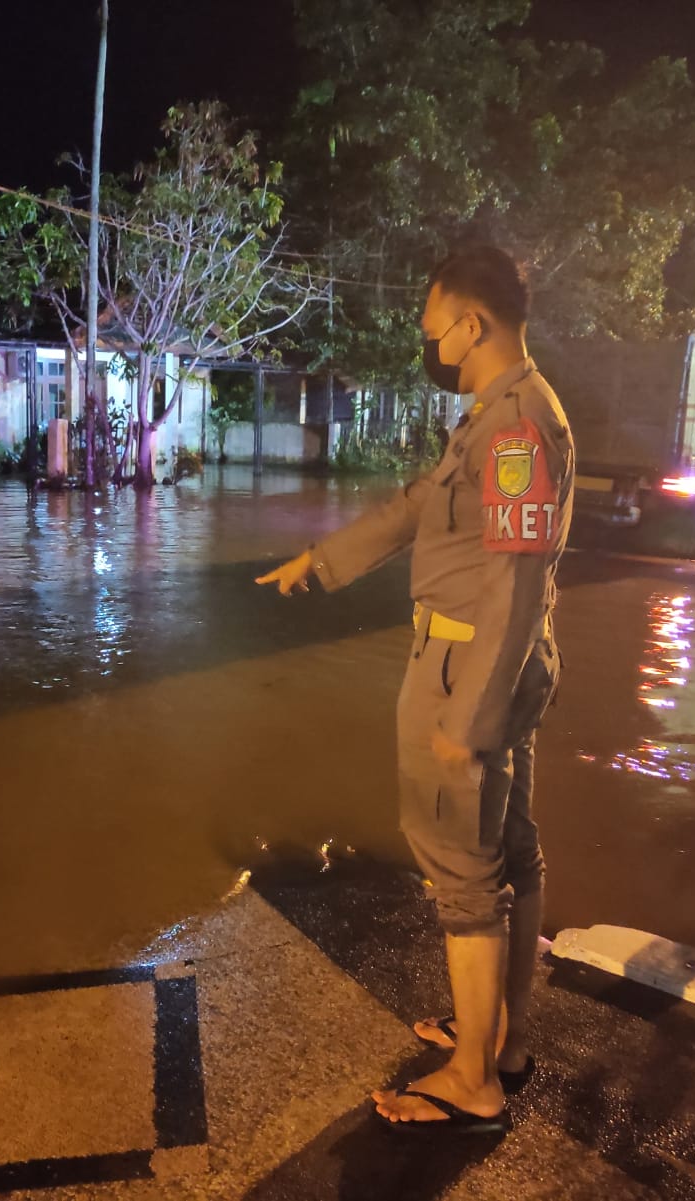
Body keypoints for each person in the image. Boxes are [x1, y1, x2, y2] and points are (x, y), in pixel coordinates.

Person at [256, 246, 574, 1134]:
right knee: (509, 850)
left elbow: (514, 577)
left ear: (473, 325)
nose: (431, 349)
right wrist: (322, 563)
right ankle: (500, 1038)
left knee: (466, 874)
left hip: (467, 665)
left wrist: (465, 718)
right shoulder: (497, 417)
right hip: (502, 660)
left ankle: (473, 1076)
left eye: (436, 332)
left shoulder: (516, 427)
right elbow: (414, 506)